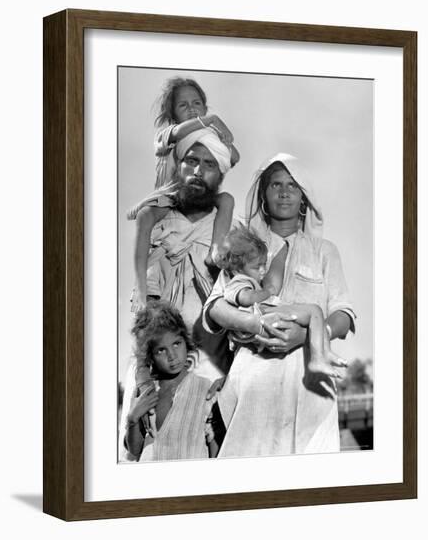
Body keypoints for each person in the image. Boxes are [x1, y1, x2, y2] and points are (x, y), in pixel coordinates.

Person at [203, 153, 356, 457]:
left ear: (303, 198)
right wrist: (255, 324)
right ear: (263, 194)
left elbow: (344, 313)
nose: (284, 192)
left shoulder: (325, 251)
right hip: (253, 382)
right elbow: (216, 307)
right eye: (275, 185)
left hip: (309, 385)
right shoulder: (243, 246)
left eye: (292, 185)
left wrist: (308, 335)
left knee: (311, 484)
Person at [119, 129, 233, 461]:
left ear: (219, 174)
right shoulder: (156, 220)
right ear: (178, 167)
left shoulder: (228, 226)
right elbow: (143, 299)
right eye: (191, 161)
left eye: (209, 164)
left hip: (209, 355)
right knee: (139, 442)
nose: (198, 171)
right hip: (152, 352)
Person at [127, 77, 240, 303]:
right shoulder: (169, 133)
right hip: (170, 195)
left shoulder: (208, 136)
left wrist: (222, 137)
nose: (191, 110)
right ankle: (140, 284)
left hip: (197, 193)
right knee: (145, 216)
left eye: (196, 104)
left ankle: (215, 252)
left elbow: (233, 157)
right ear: (172, 114)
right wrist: (211, 120)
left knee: (226, 199)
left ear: (204, 106)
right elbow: (177, 134)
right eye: (183, 105)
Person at [216, 224, 346, 378]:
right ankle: (318, 357)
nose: (263, 271)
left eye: (264, 265)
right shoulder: (238, 281)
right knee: (314, 311)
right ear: (237, 268)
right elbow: (245, 298)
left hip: (263, 314)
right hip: (261, 313)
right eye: (257, 267)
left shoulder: (246, 278)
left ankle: (322, 353)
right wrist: (267, 292)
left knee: (314, 315)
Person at [124, 301, 219, 461]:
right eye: (161, 350)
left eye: (176, 344)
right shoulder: (146, 392)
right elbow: (135, 449)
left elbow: (214, 447)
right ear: (150, 356)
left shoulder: (205, 389)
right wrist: (132, 419)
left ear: (186, 342)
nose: (172, 356)